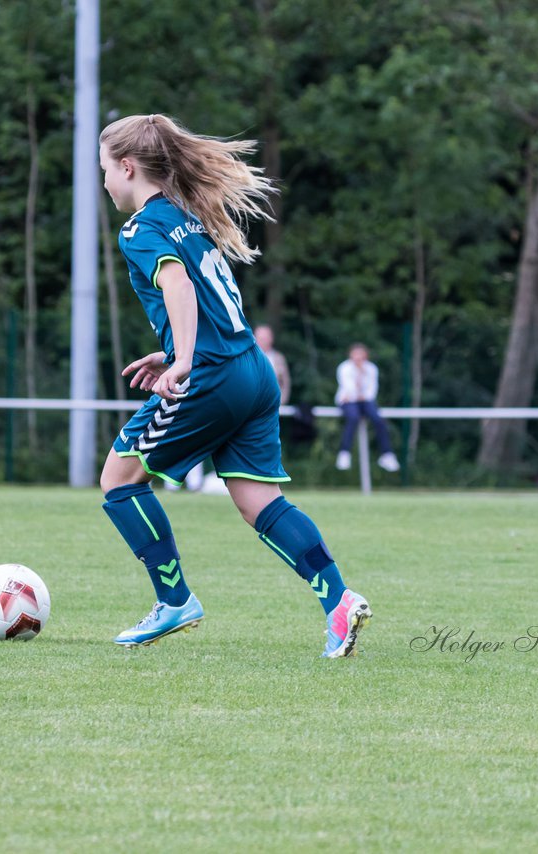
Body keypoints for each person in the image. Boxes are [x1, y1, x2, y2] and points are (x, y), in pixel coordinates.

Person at [98, 113, 371, 658]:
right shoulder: (185, 217)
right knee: (258, 499)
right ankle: (338, 601)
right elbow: (207, 295)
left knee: (119, 481)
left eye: (104, 169)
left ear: (127, 168)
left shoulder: (142, 227)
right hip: (251, 369)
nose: (103, 181)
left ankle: (174, 601)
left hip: (212, 375)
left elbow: (178, 284)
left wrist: (184, 361)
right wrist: (175, 350)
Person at [335, 343, 400, 472]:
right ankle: (344, 453)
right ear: (350, 355)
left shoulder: (371, 369)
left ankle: (387, 455)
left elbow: (371, 392)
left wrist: (361, 377)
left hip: (364, 401)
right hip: (348, 402)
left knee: (378, 419)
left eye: (361, 354)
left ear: (366, 355)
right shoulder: (344, 368)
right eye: (355, 354)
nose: (358, 358)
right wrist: (358, 379)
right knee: (353, 417)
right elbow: (349, 389)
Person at [254, 324, 291, 405]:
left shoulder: (279, 358)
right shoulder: (247, 358)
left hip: (274, 406)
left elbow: (286, 383)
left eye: (265, 338)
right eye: (260, 338)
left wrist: (281, 402)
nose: (262, 341)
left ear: (271, 339)